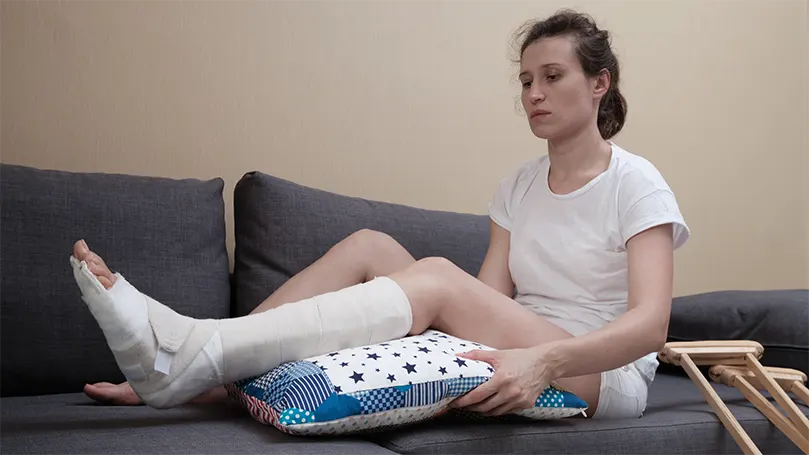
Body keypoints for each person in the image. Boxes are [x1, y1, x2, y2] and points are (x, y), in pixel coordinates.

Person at [73, 9, 688, 419]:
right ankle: (206, 365)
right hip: (521, 333)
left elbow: (649, 328)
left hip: (598, 370)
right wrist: (453, 312)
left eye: (552, 77)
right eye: (525, 80)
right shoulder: (519, 186)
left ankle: (189, 354)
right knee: (369, 244)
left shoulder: (636, 184)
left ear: (600, 83)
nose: (533, 94)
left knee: (440, 277)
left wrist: (546, 360)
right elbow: (489, 298)